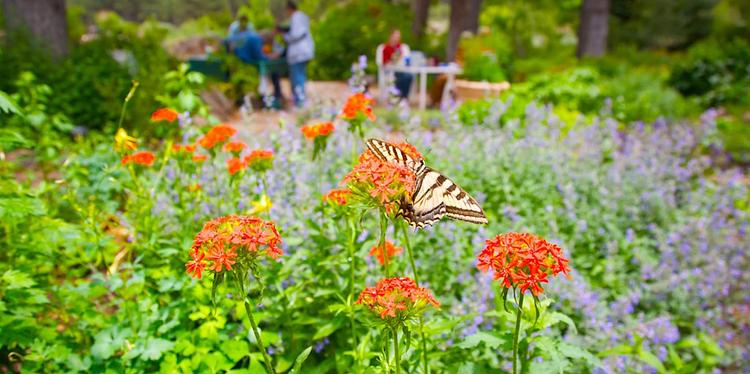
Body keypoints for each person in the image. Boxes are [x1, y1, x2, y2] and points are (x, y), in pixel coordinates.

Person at [281, 1, 314, 108]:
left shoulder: (296, 17)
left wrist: (284, 35)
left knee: (297, 77)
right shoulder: (302, 16)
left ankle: (300, 102)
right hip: (304, 51)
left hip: (298, 53)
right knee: (300, 75)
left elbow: (296, 34)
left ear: (289, 9)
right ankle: (300, 100)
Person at [381, 30, 413, 100]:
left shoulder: (401, 47)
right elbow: (384, 63)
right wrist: (393, 59)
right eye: (395, 37)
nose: (396, 39)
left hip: (401, 69)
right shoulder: (386, 48)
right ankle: (399, 97)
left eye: (398, 37)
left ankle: (403, 97)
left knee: (409, 76)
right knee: (404, 77)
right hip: (391, 71)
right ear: (391, 37)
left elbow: (407, 60)